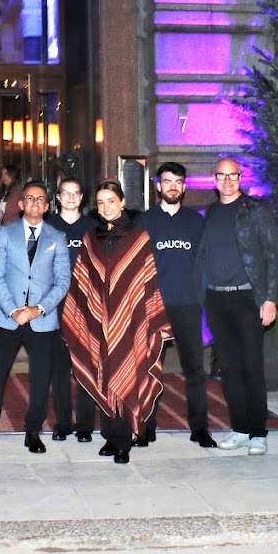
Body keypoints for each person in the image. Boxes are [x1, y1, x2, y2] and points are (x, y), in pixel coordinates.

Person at [63, 180, 172, 464]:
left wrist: (143, 316)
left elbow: (146, 280)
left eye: (111, 201)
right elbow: (83, 281)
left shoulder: (138, 237)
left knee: (125, 368)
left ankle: (123, 440)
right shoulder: (91, 239)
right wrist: (82, 313)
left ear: (122, 202)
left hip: (131, 319)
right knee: (104, 371)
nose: (106, 207)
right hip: (98, 318)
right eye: (100, 202)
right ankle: (111, 435)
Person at [0, 181, 70, 457]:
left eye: (40, 199)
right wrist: (14, 309)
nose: (35, 203)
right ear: (20, 204)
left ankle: (33, 432)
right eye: (30, 198)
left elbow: (62, 282)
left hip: (43, 320)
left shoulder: (57, 238)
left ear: (48, 207)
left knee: (40, 378)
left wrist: (38, 309)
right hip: (6, 318)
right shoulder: (4, 234)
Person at [191, 157, 278, 455]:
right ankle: (240, 428)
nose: (227, 181)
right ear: (214, 179)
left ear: (240, 178)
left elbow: (271, 256)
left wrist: (269, 298)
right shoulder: (212, 211)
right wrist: (201, 296)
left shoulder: (255, 210)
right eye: (221, 176)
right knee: (228, 369)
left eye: (233, 175)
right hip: (217, 299)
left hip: (247, 299)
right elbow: (203, 256)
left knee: (252, 367)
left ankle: (258, 433)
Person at [138, 162, 215, 448]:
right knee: (148, 368)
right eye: (167, 181)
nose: (172, 186)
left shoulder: (196, 222)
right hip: (152, 308)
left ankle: (199, 428)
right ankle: (146, 426)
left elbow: (206, 263)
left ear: (184, 186)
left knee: (194, 368)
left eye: (178, 182)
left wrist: (203, 297)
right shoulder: (143, 223)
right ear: (158, 186)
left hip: (187, 305)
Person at [44, 177, 98, 443]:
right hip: (56, 305)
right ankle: (63, 423)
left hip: (87, 305)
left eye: (75, 193)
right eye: (65, 193)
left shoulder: (93, 228)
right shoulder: (47, 227)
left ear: (81, 197)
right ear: (57, 197)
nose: (70, 198)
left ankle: (85, 425)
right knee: (60, 368)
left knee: (86, 367)